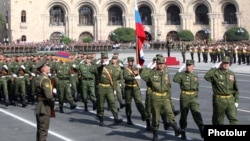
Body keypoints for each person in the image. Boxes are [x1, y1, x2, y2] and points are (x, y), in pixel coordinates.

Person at [140, 56, 181, 141]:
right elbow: (143, 75)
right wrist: (149, 67)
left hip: (165, 96)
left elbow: (168, 86)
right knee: (156, 116)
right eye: (159, 64)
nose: (161, 65)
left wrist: (169, 98)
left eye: (163, 64)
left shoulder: (165, 73)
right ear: (157, 64)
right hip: (156, 97)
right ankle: (155, 135)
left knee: (169, 112)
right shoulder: (152, 73)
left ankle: (176, 128)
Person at [173, 60, 204, 139]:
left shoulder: (195, 75)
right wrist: (179, 70)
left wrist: (195, 96)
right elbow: (175, 79)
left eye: (190, 65)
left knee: (197, 113)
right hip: (185, 97)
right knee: (184, 116)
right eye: (187, 65)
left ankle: (202, 130)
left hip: (193, 97)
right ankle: (183, 130)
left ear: (193, 66)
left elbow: (197, 87)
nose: (188, 67)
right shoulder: (182, 75)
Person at [204, 56, 239, 125]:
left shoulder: (231, 73)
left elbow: (235, 88)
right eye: (224, 63)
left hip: (230, 100)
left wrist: (236, 100)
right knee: (218, 120)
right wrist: (214, 67)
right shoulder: (215, 73)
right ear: (221, 63)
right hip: (219, 100)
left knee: (234, 119)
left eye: (227, 63)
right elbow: (206, 77)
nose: (226, 64)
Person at [95, 52, 123, 126]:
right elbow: (96, 70)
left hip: (109, 87)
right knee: (101, 104)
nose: (105, 60)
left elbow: (114, 77)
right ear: (101, 59)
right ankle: (101, 119)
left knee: (112, 102)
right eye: (104, 58)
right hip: (101, 87)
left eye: (106, 58)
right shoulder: (99, 66)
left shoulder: (111, 67)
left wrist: (115, 88)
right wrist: (102, 65)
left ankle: (116, 118)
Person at [34, 57, 55, 141]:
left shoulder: (39, 78)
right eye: (47, 66)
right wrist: (52, 104)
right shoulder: (45, 80)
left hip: (39, 106)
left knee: (40, 130)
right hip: (44, 107)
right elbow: (49, 96)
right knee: (43, 131)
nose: (49, 67)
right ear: (43, 69)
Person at [123, 57, 146, 125]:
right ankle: (128, 118)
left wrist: (141, 68)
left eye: (133, 61)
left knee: (139, 102)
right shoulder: (125, 69)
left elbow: (141, 73)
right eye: (130, 61)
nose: (132, 63)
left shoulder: (136, 68)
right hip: (128, 88)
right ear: (128, 62)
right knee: (128, 104)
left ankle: (143, 114)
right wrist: (134, 77)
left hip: (135, 88)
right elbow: (125, 77)